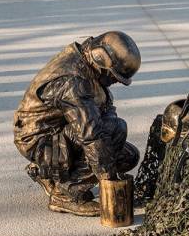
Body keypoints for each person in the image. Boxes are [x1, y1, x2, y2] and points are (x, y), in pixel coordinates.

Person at [13, 32, 141, 217]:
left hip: (61, 131)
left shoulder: (88, 64)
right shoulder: (74, 83)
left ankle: (49, 174)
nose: (114, 82)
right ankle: (66, 194)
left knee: (126, 156)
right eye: (114, 77)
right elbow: (91, 135)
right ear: (101, 60)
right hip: (40, 139)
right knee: (114, 132)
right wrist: (108, 179)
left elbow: (105, 111)